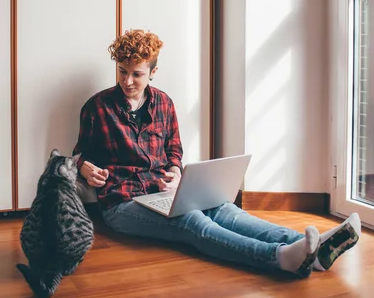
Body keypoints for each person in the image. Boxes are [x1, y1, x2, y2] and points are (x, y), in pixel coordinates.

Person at [73, 29, 361, 278]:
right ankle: (280, 258)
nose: (127, 81)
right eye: (122, 71)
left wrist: (175, 176)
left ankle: (316, 247)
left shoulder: (164, 103)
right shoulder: (97, 107)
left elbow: (174, 152)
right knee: (193, 221)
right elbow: (79, 155)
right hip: (123, 202)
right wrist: (85, 167)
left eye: (137, 74)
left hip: (164, 192)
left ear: (153, 72)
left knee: (224, 210)